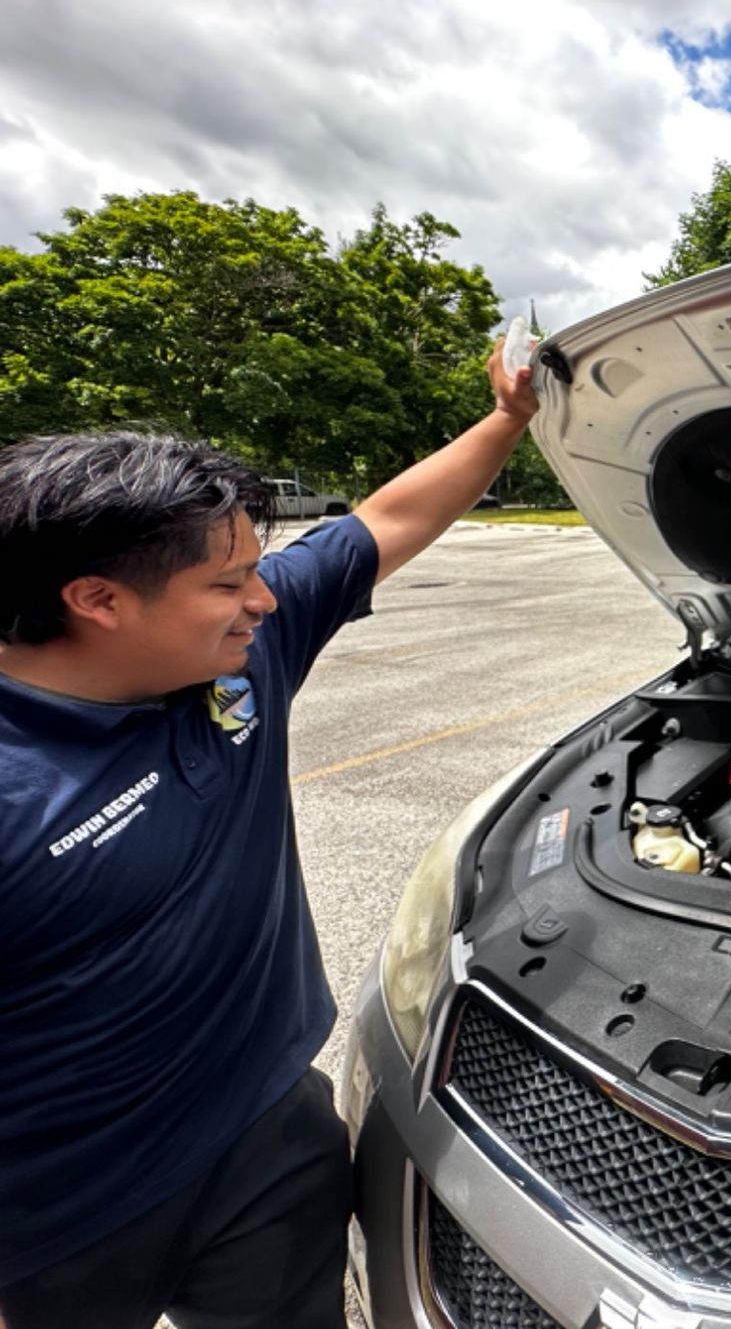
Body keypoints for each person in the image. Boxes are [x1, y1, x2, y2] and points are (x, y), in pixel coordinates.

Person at [0, 341, 538, 1328]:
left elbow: (389, 518)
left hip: (266, 1135)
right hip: (54, 1219)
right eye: (228, 583)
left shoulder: (246, 653)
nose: (263, 598)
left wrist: (509, 419)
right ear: (96, 600)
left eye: (259, 569)